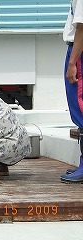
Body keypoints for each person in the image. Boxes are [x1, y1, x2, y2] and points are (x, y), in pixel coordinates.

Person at [60, 0, 83, 183]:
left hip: (79, 52)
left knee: (80, 108)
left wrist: (72, 62)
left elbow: (82, 28)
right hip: (78, 50)